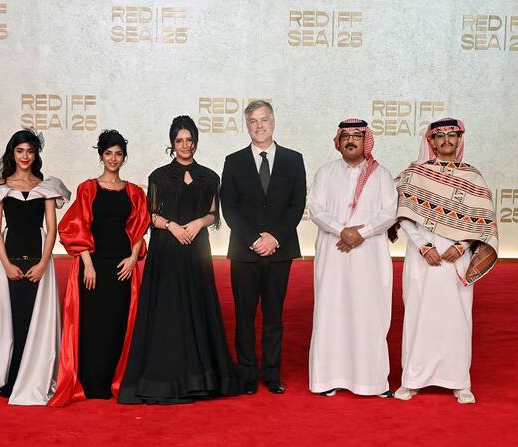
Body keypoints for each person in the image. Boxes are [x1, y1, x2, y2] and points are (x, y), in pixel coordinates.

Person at [118, 115, 241, 404]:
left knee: (198, 306)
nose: (185, 145)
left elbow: (213, 213)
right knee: (168, 310)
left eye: (189, 140)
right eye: (179, 140)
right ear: (172, 144)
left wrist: (198, 223)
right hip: (166, 250)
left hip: (197, 251)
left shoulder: (209, 176)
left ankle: (200, 378)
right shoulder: (159, 176)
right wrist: (172, 226)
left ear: (195, 142)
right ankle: (164, 379)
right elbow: (151, 215)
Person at [394, 118, 498, 404]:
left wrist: (462, 246)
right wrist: (423, 245)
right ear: (432, 142)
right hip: (421, 258)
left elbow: (482, 223)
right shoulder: (416, 174)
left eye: (452, 135)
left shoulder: (473, 178)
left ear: (459, 140)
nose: (447, 140)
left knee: (457, 318)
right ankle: (412, 380)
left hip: (456, 259)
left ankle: (459, 381)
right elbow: (403, 215)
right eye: (440, 136)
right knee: (418, 315)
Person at [0, 129, 70, 405]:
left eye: (30, 151)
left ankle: (31, 375)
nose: (25, 156)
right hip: (8, 262)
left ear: (36, 155)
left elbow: (51, 229)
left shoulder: (46, 187)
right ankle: (10, 375)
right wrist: (6, 264)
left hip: (38, 261)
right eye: (20, 151)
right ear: (12, 154)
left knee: (34, 320)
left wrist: (43, 263)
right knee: (9, 319)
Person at [49, 130, 150, 406]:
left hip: (122, 266)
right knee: (91, 324)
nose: (113, 159)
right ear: (101, 156)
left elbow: (139, 228)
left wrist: (133, 259)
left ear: (124, 157)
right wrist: (88, 265)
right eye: (108, 153)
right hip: (93, 265)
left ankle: (113, 381)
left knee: (117, 323)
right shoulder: (87, 188)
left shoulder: (135, 192)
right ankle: (89, 383)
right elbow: (75, 226)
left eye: (118, 154)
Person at [220, 100, 306, 394]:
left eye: (263, 120)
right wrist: (254, 240)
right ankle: (247, 375)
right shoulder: (233, 161)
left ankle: (271, 374)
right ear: (247, 126)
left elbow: (297, 205)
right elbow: (229, 207)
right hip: (244, 252)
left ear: (273, 121)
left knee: (273, 317)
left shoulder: (294, 159)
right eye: (253, 121)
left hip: (280, 251)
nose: (259, 126)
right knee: (244, 317)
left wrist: (274, 238)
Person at [307, 119, 397, 398]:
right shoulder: (325, 172)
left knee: (368, 314)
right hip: (333, 254)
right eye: (345, 135)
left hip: (369, 256)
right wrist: (342, 231)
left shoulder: (381, 175)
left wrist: (361, 233)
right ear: (338, 141)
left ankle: (371, 381)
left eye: (357, 135)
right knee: (331, 313)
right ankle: (327, 378)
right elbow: (316, 209)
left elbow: (389, 213)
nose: (350, 140)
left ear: (365, 140)